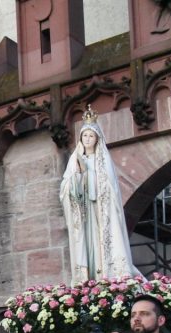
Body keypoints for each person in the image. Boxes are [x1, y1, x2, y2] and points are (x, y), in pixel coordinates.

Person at [60, 105, 141, 282]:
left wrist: (88, 174)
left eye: (91, 136)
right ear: (81, 138)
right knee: (87, 246)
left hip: (101, 210)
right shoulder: (74, 161)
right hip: (84, 213)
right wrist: (79, 177)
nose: (88, 139)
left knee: (103, 244)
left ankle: (107, 276)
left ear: (97, 139)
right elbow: (65, 189)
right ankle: (87, 278)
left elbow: (110, 187)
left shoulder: (103, 161)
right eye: (85, 135)